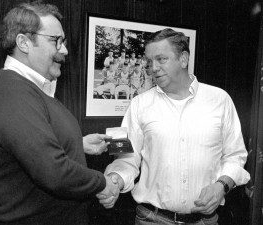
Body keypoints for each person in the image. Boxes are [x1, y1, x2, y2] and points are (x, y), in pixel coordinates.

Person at [0, 2, 119, 225]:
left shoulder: (24, 89)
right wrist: (103, 183)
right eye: (55, 41)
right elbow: (54, 172)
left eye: (64, 42)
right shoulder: (11, 93)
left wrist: (77, 144)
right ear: (23, 43)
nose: (64, 50)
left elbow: (27, 147)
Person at [97, 28, 250, 225]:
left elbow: (236, 156)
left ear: (184, 59)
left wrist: (222, 185)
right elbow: (125, 157)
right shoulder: (138, 104)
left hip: (205, 221)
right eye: (149, 61)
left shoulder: (220, 99)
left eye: (161, 59)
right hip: (151, 219)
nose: (153, 67)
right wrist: (115, 179)